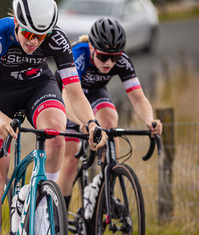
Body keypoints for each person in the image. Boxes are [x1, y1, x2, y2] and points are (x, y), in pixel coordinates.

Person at [0, 0, 106, 235]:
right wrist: (2, 121)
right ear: (17, 24)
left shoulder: (56, 39)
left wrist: (90, 122)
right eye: (29, 35)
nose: (34, 42)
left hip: (37, 88)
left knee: (57, 135)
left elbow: (74, 93)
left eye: (41, 36)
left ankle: (37, 201)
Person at [56, 17, 162, 207]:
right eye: (104, 57)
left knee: (111, 121)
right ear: (91, 49)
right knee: (70, 160)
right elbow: (68, 97)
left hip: (95, 92)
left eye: (114, 57)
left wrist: (149, 119)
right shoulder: (78, 55)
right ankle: (58, 220)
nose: (109, 62)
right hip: (70, 98)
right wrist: (82, 122)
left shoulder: (121, 60)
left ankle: (107, 190)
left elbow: (138, 97)